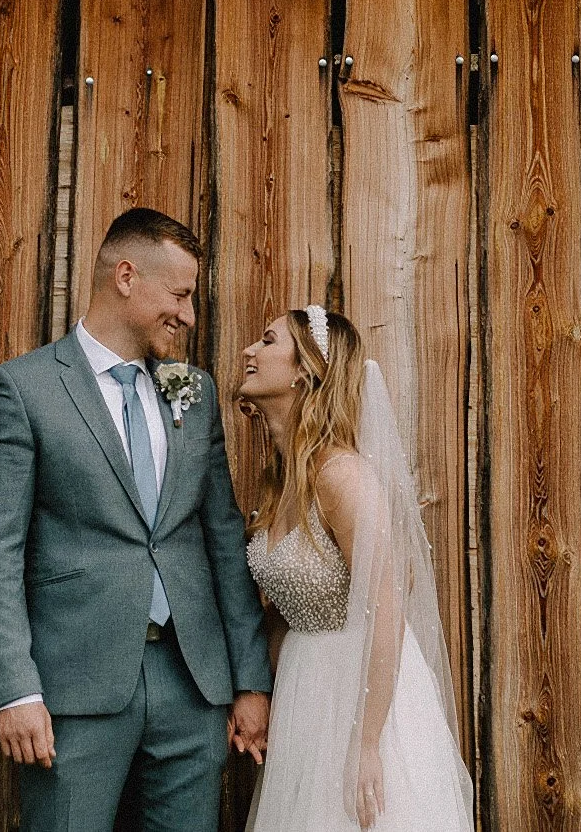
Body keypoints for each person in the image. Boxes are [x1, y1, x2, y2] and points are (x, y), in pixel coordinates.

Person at [0, 207, 273, 832]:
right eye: (181, 295)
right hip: (73, 688)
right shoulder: (23, 389)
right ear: (127, 276)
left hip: (193, 685)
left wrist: (250, 681)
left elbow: (221, 539)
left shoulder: (195, 389)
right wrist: (16, 690)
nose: (189, 316)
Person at [234, 305, 475, 831]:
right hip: (305, 689)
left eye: (268, 340)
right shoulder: (282, 486)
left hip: (364, 693)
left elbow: (387, 614)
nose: (250, 350)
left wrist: (367, 744)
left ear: (305, 370)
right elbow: (290, 614)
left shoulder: (345, 480)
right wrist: (262, 694)